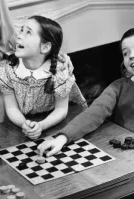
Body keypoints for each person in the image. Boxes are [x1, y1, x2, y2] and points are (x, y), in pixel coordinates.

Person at [38, 28, 134, 157]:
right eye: (126, 53)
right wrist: (62, 138)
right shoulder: (117, 87)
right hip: (124, 154)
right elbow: (94, 113)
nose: (131, 56)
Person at [0, 15, 86, 140]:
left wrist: (42, 125)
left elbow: (61, 110)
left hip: (60, 124)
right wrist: (25, 125)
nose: (19, 35)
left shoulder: (59, 73)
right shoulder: (6, 70)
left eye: (28, 33)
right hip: (22, 126)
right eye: (21, 30)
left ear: (45, 47)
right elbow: (11, 107)